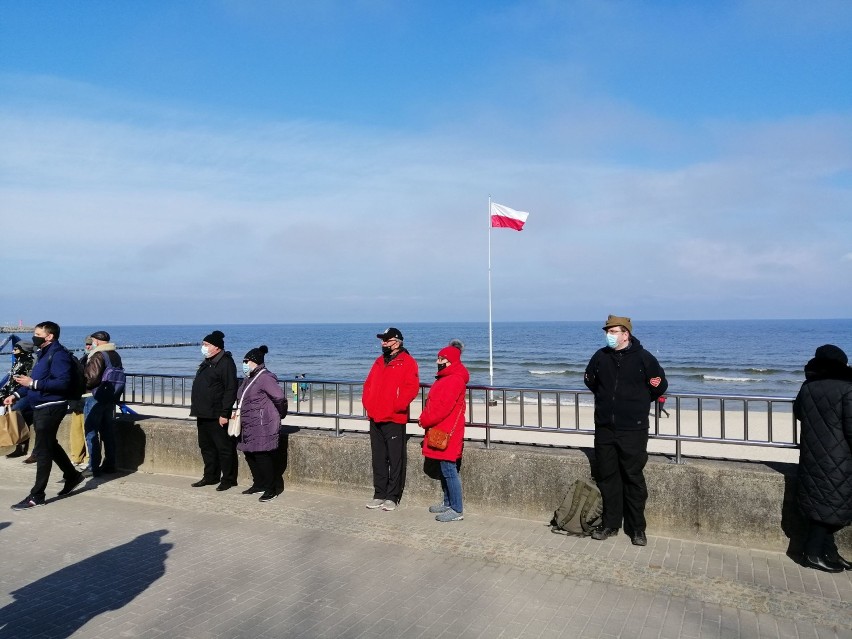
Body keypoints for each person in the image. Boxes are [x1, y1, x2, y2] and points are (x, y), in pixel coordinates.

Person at [584, 315, 668, 546]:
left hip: (633, 429)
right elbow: (590, 380)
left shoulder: (644, 358)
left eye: (613, 331)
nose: (609, 335)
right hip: (605, 428)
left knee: (633, 478)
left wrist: (634, 405)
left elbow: (659, 385)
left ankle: (637, 529)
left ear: (625, 334)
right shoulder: (600, 356)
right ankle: (610, 524)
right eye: (607, 331)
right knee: (608, 477)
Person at [4, 321, 86, 509]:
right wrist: (15, 395)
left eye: (37, 333)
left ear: (49, 336)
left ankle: (37, 495)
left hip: (51, 407)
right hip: (40, 406)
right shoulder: (44, 354)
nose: (34, 336)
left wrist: (32, 384)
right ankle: (73, 475)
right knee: (50, 444)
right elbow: (34, 382)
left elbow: (62, 383)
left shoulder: (58, 356)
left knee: (43, 450)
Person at [793, 344, 852, 573]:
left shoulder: (809, 385)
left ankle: (829, 552)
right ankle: (813, 554)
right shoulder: (847, 388)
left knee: (822, 504)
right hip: (840, 456)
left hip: (812, 452)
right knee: (831, 505)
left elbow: (799, 413)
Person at [362, 327, 420, 511]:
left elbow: (412, 388)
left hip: (394, 419)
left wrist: (397, 405)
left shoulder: (408, 362)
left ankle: (392, 497)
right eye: (382, 340)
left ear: (397, 342)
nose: (383, 343)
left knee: (395, 460)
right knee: (378, 458)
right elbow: (368, 384)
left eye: (386, 340)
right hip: (375, 416)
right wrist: (368, 404)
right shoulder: (379, 361)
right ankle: (379, 493)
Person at [418, 340, 469, 522]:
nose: (438, 361)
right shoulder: (448, 377)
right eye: (438, 358)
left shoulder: (453, 379)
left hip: (448, 431)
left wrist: (424, 420)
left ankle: (457, 509)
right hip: (443, 429)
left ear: (451, 360)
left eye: (442, 359)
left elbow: (442, 407)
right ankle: (448, 503)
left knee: (449, 469)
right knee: (444, 468)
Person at [235, 346, 288, 503]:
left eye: (246, 361)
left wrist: (280, 414)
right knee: (250, 453)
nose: (244, 364)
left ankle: (271, 489)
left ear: (255, 362)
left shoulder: (265, 377)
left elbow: (279, 398)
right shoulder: (250, 378)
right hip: (248, 422)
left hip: (262, 423)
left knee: (262, 455)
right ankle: (259, 484)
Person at [189, 330, 238, 491]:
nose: (203, 347)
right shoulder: (207, 362)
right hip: (202, 413)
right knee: (206, 447)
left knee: (224, 448)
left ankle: (228, 479)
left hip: (217, 414)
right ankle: (210, 476)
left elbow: (230, 389)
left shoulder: (226, 363)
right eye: (203, 344)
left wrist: (224, 413)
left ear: (216, 347)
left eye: (206, 345)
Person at [83, 330, 122, 476]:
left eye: (92, 340)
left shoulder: (98, 354)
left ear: (97, 341)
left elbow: (92, 378)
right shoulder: (115, 354)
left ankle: (93, 466)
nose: (91, 343)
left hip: (95, 396)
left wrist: (81, 382)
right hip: (110, 396)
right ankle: (110, 464)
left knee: (91, 431)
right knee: (107, 432)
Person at [1, 340, 35, 459]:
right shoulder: (18, 362)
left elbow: (28, 382)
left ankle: (21, 446)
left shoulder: (30, 362)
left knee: (17, 411)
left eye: (16, 349)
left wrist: (16, 394)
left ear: (23, 350)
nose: (13, 351)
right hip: (14, 393)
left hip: (26, 394)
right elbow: (11, 380)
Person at [68, 336, 93, 469]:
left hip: (88, 397)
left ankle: (88, 458)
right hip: (78, 399)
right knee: (76, 430)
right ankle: (76, 457)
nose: (88, 346)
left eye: (90, 344)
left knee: (87, 430)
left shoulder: (96, 358)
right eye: (86, 344)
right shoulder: (83, 358)